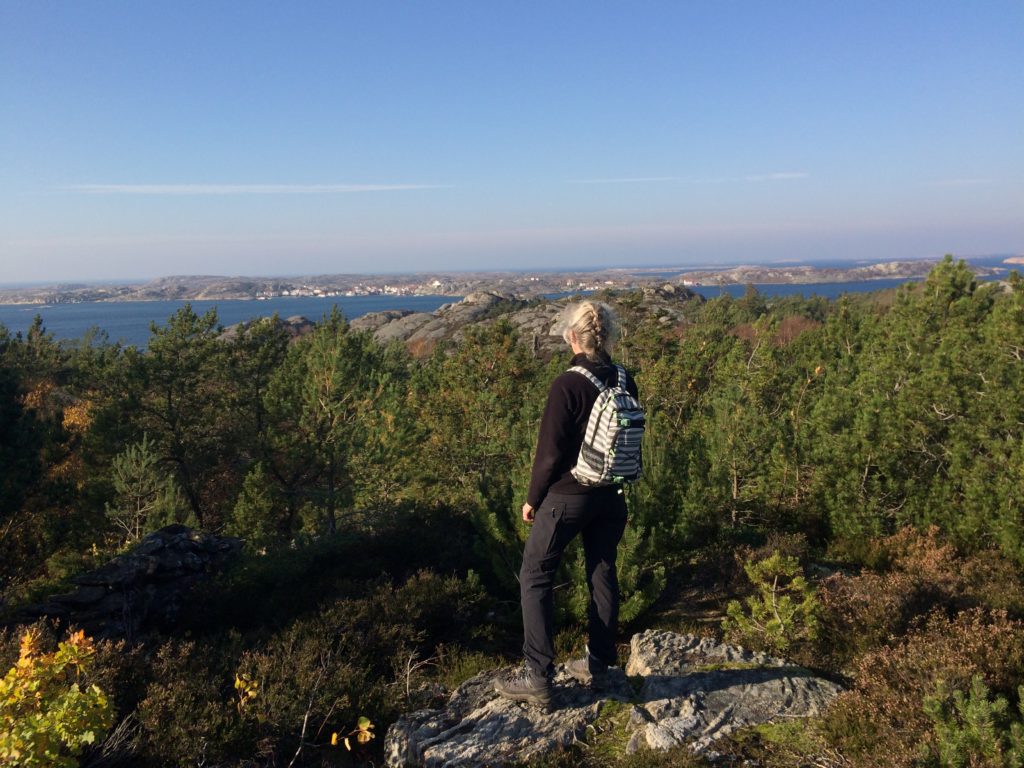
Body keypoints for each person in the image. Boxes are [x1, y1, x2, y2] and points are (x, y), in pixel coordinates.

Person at [494, 300, 639, 709]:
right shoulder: (625, 379)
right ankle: (600, 663)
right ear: (606, 335)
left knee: (535, 575)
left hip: (567, 497)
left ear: (572, 336)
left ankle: (538, 676)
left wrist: (531, 499)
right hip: (612, 494)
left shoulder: (567, 384)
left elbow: (549, 455)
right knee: (602, 570)